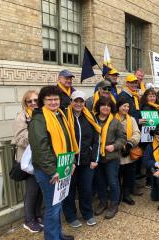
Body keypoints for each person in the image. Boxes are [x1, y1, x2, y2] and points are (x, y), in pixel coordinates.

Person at [29, 86, 77, 240]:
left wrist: (72, 162)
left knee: (58, 204)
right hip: (48, 170)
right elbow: (40, 147)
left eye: (55, 98)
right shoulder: (39, 118)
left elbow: (68, 140)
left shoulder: (59, 115)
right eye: (49, 99)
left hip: (62, 166)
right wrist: (52, 170)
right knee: (53, 207)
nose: (53, 102)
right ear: (42, 101)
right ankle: (52, 237)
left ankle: (57, 235)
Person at [62, 91, 100, 228]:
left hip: (86, 161)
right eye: (75, 101)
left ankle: (87, 214)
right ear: (71, 101)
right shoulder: (64, 116)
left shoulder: (89, 117)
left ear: (84, 103)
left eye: (81, 101)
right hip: (70, 161)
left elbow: (97, 138)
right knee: (69, 190)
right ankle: (71, 216)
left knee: (86, 189)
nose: (78, 104)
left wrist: (95, 158)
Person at [12, 90, 43, 233]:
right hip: (28, 160)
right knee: (32, 191)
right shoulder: (22, 116)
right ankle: (29, 220)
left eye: (36, 100)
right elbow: (19, 138)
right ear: (25, 103)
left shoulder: (41, 114)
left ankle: (37, 216)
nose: (33, 103)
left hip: (41, 158)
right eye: (29, 101)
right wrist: (36, 135)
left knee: (40, 190)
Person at [93, 97, 126, 219]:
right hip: (96, 157)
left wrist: (114, 146)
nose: (106, 107)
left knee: (112, 182)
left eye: (108, 105)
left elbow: (122, 138)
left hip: (111, 157)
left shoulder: (115, 121)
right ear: (99, 107)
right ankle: (103, 202)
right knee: (100, 182)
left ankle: (113, 204)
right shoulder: (93, 120)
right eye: (103, 105)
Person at [116, 97, 141, 205]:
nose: (126, 108)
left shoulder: (132, 119)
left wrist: (130, 144)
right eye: (124, 106)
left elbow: (137, 133)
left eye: (128, 106)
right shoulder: (112, 119)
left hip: (128, 153)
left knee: (128, 176)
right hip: (116, 153)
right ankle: (117, 195)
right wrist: (120, 145)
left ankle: (126, 195)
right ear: (118, 107)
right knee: (116, 177)